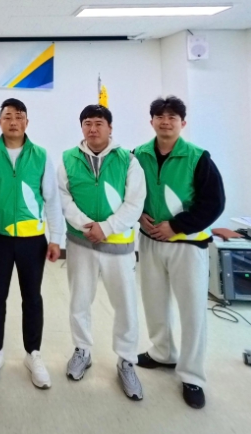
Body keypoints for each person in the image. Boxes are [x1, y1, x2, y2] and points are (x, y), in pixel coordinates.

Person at [134, 96, 225, 409]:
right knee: (154, 303)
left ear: (182, 123)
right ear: (151, 122)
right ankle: (163, 352)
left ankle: (192, 375)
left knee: (192, 311)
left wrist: (176, 226)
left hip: (187, 244)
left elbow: (214, 203)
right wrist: (138, 215)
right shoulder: (138, 155)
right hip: (150, 241)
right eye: (160, 116)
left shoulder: (198, 158)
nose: (165, 121)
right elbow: (129, 192)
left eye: (172, 117)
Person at [57, 104, 146, 401]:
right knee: (79, 301)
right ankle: (82, 350)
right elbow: (64, 197)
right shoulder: (68, 159)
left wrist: (106, 228)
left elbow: (135, 203)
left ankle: (127, 360)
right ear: (81, 127)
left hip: (118, 247)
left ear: (110, 127)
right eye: (87, 123)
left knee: (125, 306)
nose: (92, 128)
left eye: (98, 123)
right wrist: (86, 226)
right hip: (81, 243)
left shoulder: (128, 161)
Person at [0, 98, 63, 389]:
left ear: (27, 122)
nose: (13, 121)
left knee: (32, 297)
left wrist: (56, 239)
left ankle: (33, 354)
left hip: (32, 241)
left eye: (19, 116)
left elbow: (52, 199)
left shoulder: (40, 155)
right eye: (8, 116)